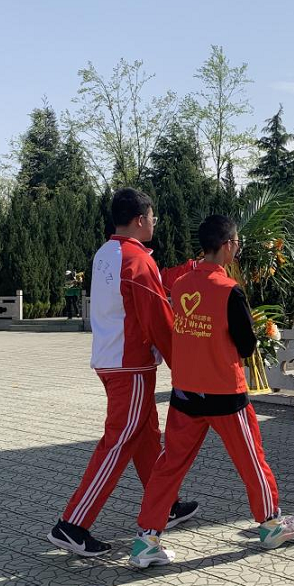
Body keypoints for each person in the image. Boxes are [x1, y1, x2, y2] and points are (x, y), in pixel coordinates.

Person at [129, 215, 294, 567]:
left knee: (169, 466)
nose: (237, 249)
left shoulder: (181, 285)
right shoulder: (229, 290)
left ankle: (146, 539)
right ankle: (271, 524)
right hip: (225, 393)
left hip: (185, 393)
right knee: (251, 460)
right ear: (227, 246)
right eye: (236, 244)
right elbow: (246, 345)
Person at [48, 188, 199, 557]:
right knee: (118, 443)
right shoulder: (137, 260)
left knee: (145, 436)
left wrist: (189, 269)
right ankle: (72, 525)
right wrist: (186, 367)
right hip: (130, 364)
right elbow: (158, 319)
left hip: (112, 358)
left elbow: (148, 292)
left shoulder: (106, 253)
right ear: (140, 220)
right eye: (153, 217)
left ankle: (165, 505)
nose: (155, 223)